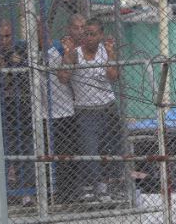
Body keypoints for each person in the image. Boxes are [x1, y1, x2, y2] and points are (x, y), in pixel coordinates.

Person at [65, 17, 123, 200]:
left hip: (107, 107)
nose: (89, 38)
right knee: (90, 151)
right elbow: (63, 77)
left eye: (93, 34)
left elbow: (113, 76)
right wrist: (67, 55)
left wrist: (111, 53)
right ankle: (93, 184)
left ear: (101, 35)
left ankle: (107, 186)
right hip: (86, 111)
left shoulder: (105, 52)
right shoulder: (76, 54)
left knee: (111, 148)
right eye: (86, 34)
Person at [43, 16, 81, 203]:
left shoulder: (59, 49)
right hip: (43, 113)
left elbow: (65, 77)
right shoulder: (31, 53)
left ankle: (68, 193)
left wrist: (67, 52)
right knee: (46, 156)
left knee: (66, 155)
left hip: (65, 110)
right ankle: (49, 193)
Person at [0, 19, 34, 203]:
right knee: (6, 149)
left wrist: (19, 64)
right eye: (2, 37)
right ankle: (6, 194)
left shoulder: (22, 49)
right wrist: (1, 67)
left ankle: (27, 192)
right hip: (2, 108)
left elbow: (30, 76)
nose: (5, 40)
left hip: (23, 106)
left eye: (8, 36)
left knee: (26, 149)